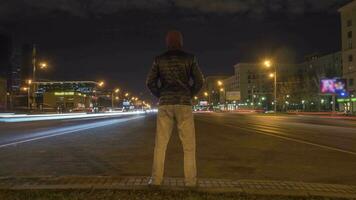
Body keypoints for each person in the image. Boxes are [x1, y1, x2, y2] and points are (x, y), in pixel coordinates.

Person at [146, 30, 204, 187]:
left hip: (165, 104)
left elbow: (150, 82)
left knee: (160, 145)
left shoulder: (159, 59)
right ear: (181, 42)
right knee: (189, 146)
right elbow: (200, 81)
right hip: (184, 104)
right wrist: (188, 94)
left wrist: (162, 94)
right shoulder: (190, 58)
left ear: (167, 43)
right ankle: (190, 182)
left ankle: (156, 180)